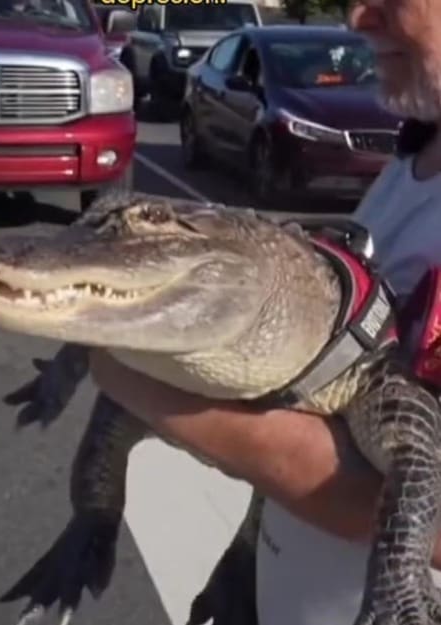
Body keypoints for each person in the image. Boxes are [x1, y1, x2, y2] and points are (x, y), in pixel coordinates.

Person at [88, 1, 441, 623]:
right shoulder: (418, 152)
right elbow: (326, 393)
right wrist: (246, 561)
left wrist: (127, 372)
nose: (357, 18)